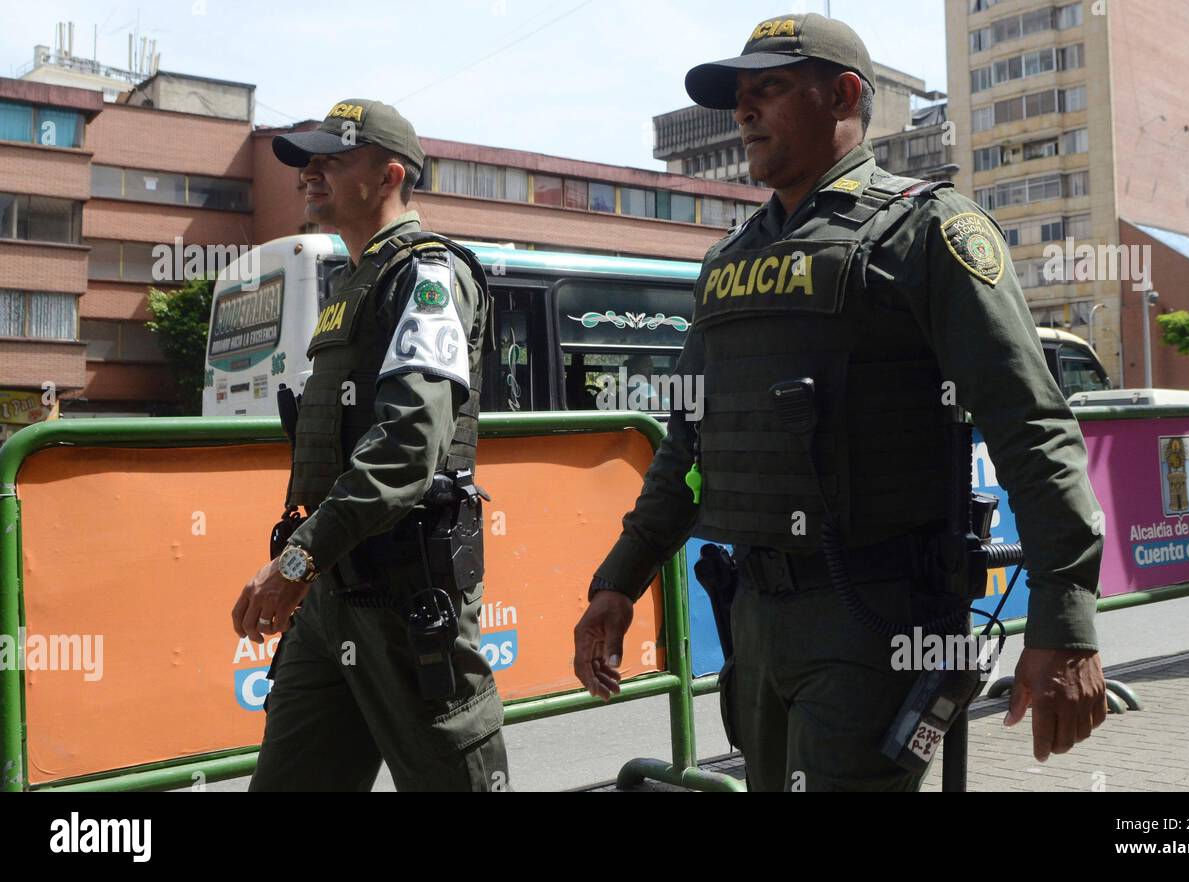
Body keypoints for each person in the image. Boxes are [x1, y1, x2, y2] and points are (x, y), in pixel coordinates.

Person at [572, 13, 1107, 792]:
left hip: (876, 617)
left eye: (770, 89)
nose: (744, 110)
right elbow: (689, 446)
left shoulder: (928, 231)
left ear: (843, 95)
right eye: (739, 95)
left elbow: (1031, 426)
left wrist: (1066, 622)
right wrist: (619, 579)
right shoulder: (730, 259)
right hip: (754, 622)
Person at [230, 98, 508, 792]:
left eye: (334, 158)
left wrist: (297, 561)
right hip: (332, 596)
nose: (311, 171)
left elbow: (408, 445)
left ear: (389, 176)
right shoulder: (351, 284)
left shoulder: (428, 276)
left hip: (403, 594)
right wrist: (308, 566)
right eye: (307, 160)